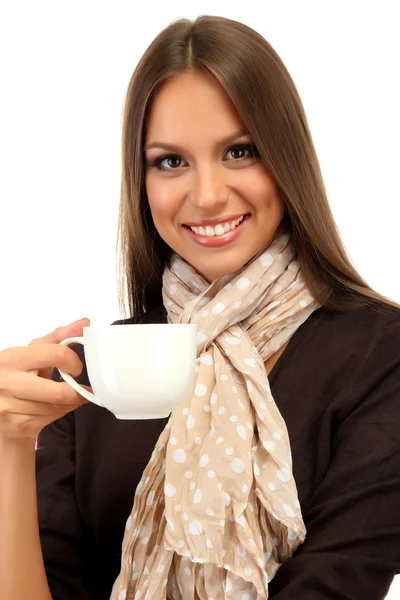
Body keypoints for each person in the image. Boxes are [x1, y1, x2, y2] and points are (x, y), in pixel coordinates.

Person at [0, 14, 399, 600]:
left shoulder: (380, 354)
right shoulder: (97, 370)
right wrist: (10, 445)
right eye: (170, 161)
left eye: (240, 151)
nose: (207, 194)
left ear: (287, 160)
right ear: (142, 182)